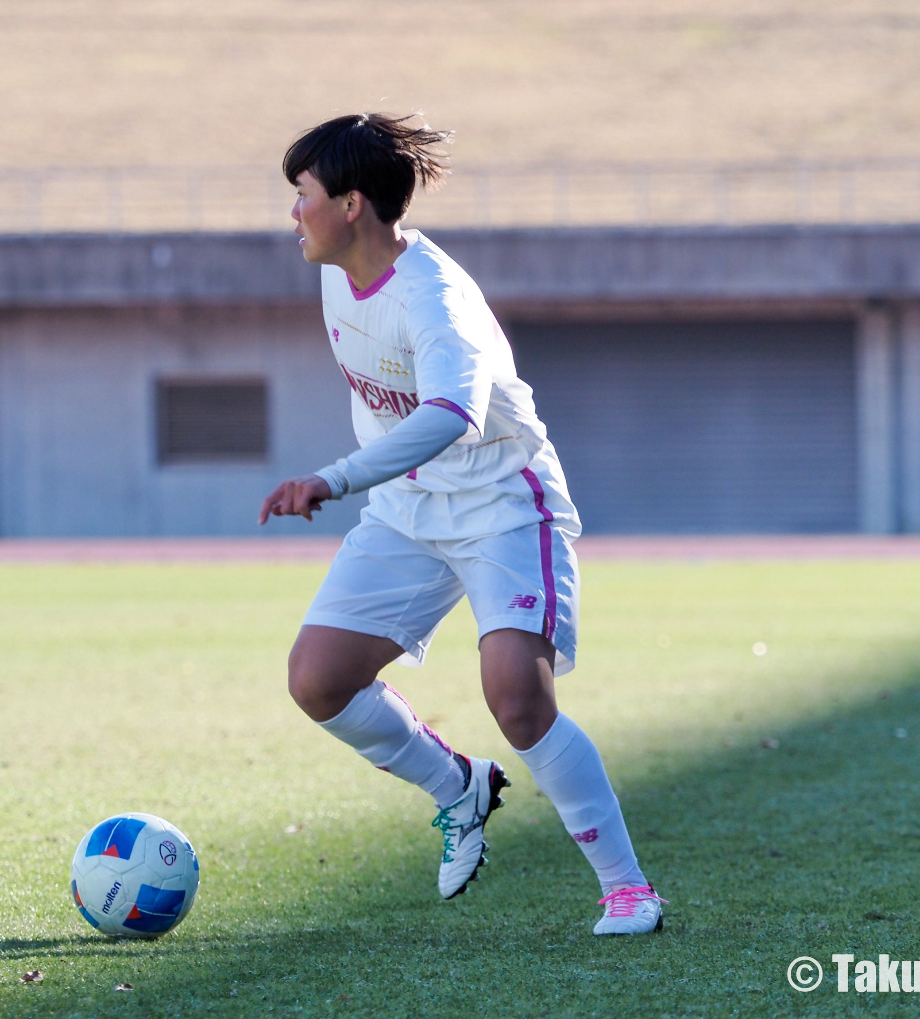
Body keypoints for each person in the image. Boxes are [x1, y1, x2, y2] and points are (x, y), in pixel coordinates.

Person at [259, 113, 664, 934]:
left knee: (518, 698)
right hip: (408, 510)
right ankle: (459, 788)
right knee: (318, 679)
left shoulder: (437, 300)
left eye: (302, 196)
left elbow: (451, 411)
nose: (291, 214)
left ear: (352, 205)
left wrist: (332, 478)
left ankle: (628, 888)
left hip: (502, 507)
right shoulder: (337, 268)